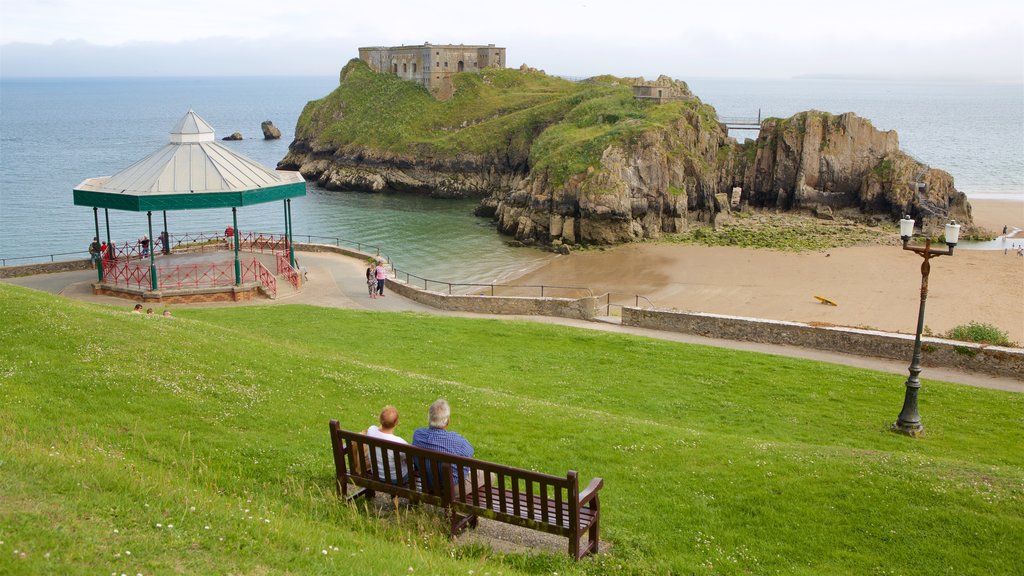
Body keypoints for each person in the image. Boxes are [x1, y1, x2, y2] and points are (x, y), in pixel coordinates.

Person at [412, 399, 483, 494]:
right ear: (448, 420)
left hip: (427, 482)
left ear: (429, 418)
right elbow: (470, 451)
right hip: (450, 488)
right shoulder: (456, 441)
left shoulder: (418, 434)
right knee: (490, 476)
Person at [366, 405, 408, 483]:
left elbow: (378, 428)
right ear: (396, 422)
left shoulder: (371, 430)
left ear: (380, 419)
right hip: (396, 478)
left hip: (376, 474)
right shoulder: (400, 442)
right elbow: (408, 460)